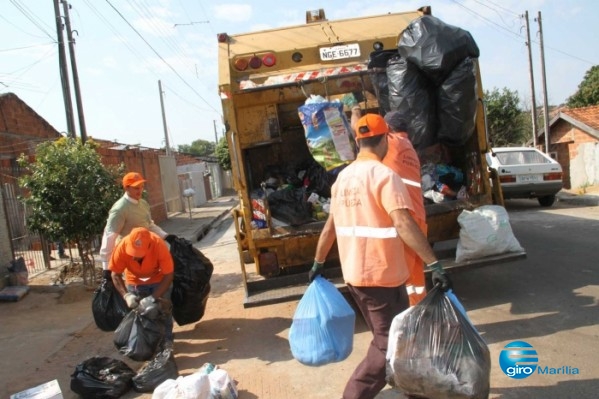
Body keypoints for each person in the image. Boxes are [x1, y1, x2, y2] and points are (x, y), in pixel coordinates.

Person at [309, 114, 452, 399]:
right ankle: (355, 395)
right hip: (382, 276)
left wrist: (318, 262)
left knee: (400, 335)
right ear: (386, 138)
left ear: (358, 141)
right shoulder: (385, 176)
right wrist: (434, 262)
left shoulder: (343, 179)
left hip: (357, 277)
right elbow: (403, 223)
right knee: (387, 343)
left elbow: (329, 228)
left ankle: (413, 388)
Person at [383, 111, 427, 306]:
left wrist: (356, 111)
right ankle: (418, 312)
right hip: (418, 218)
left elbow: (362, 134)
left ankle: (409, 317)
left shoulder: (393, 143)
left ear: (389, 129)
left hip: (406, 220)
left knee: (403, 273)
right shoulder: (407, 145)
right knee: (416, 275)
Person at [108, 227, 175, 348]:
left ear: (148, 247)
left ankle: (167, 342)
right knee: (142, 314)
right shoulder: (122, 246)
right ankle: (147, 344)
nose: (134, 257)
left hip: (158, 280)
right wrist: (126, 295)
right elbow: (115, 274)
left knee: (163, 312)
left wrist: (153, 297)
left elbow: (168, 275)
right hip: (135, 281)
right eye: (132, 253)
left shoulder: (158, 245)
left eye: (138, 255)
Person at [99, 172, 171, 275]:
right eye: (136, 188)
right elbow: (109, 236)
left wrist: (166, 236)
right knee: (132, 286)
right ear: (127, 188)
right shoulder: (120, 209)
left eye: (142, 187)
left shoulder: (143, 204)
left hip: (145, 253)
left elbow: (149, 225)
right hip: (128, 256)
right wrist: (106, 269)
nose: (140, 190)